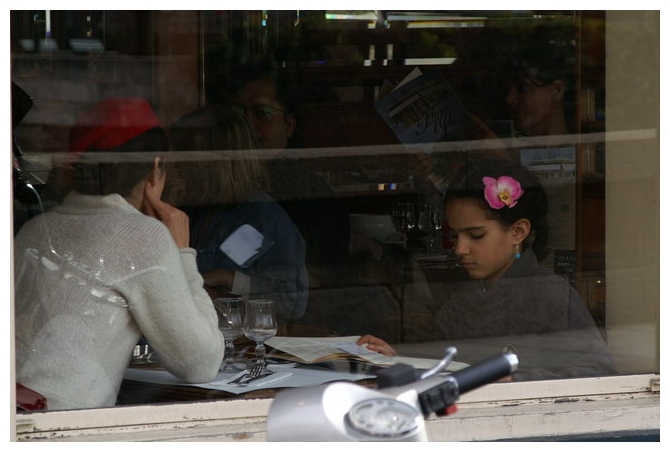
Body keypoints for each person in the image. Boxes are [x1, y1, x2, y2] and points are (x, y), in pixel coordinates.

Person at [14, 97, 225, 410]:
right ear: (155, 168)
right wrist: (183, 252)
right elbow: (200, 363)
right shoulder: (143, 235)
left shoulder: (35, 229)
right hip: (67, 426)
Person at [358, 159, 617, 381]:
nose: (460, 248)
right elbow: (447, 366)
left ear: (518, 232)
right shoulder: (460, 303)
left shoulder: (551, 295)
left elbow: (599, 373)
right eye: (455, 236)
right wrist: (397, 360)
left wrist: (518, 381)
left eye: (476, 235)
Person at [168, 105, 308, 324]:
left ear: (207, 165)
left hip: (242, 345)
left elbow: (293, 302)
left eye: (182, 157)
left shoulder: (263, 217)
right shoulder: (191, 211)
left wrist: (230, 279)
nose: (174, 166)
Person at [218, 54, 352, 273]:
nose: (249, 124)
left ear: (288, 125)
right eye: (239, 114)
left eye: (263, 113)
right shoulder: (222, 183)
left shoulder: (308, 195)